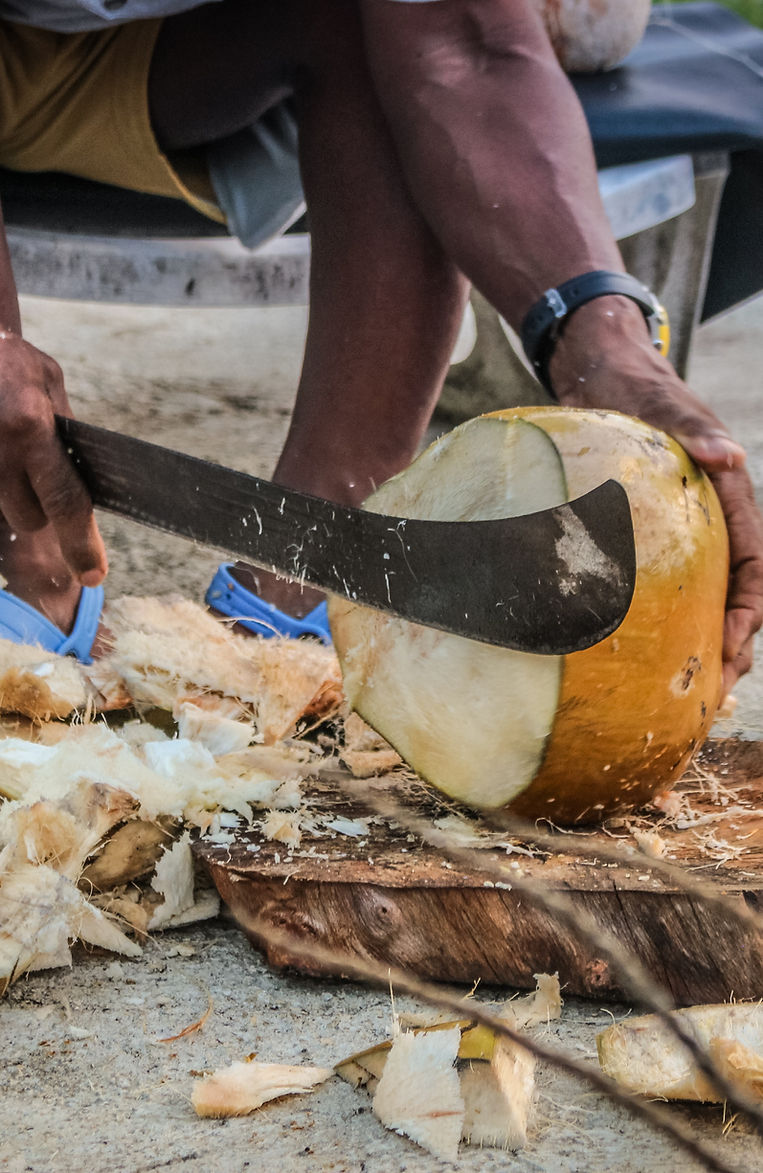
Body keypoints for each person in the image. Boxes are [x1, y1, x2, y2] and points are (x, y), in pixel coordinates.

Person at [0, 0, 760, 695]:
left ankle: (318, 553)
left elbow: (464, 44)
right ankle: (19, 540)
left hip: (157, 58)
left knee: (370, 22)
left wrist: (604, 341)